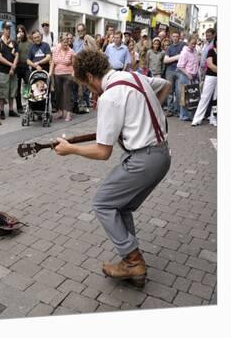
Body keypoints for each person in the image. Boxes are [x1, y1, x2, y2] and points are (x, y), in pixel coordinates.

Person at [55, 49, 172, 288]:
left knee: (102, 203)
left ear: (89, 75)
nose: (89, 90)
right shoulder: (134, 77)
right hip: (161, 155)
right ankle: (130, 261)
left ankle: (133, 260)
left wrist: (70, 150)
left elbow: (102, 152)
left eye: (86, 85)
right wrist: (146, 115)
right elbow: (165, 84)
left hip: (144, 159)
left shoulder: (110, 97)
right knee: (122, 206)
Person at [0, 21, 20, 119]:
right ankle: (1, 110)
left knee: (12, 92)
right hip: (3, 71)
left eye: (9, 28)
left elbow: (17, 54)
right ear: (2, 29)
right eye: (6, 28)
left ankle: (10, 110)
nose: (8, 30)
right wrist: (11, 65)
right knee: (2, 93)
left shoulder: (13, 42)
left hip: (13, 71)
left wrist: (13, 67)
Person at [49, 34, 75, 122]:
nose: (66, 44)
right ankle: (60, 112)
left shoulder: (71, 51)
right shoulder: (56, 50)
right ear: (60, 42)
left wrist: (73, 74)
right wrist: (50, 72)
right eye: (64, 42)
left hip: (68, 74)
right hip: (57, 74)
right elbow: (53, 62)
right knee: (58, 93)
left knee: (67, 94)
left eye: (67, 42)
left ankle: (68, 113)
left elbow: (74, 64)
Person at [192, 36, 217, 127]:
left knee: (216, 100)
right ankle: (197, 119)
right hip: (211, 76)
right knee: (205, 97)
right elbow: (210, 64)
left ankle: (213, 118)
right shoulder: (211, 51)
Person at [176, 35, 200, 121]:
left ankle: (190, 115)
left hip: (193, 76)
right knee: (185, 96)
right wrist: (188, 74)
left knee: (192, 97)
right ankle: (183, 115)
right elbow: (179, 66)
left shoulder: (195, 51)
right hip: (185, 76)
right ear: (188, 43)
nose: (194, 45)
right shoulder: (185, 52)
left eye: (195, 43)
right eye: (192, 43)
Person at [163, 32, 186, 117]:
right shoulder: (169, 48)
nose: (175, 38)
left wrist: (171, 58)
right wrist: (178, 57)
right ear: (171, 37)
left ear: (179, 37)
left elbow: (185, 55)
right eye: (174, 36)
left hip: (180, 71)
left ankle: (178, 110)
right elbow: (165, 61)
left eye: (177, 36)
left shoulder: (183, 45)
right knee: (169, 91)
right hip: (170, 71)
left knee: (179, 92)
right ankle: (170, 110)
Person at [15, 25, 32, 114]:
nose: (20, 33)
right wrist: (17, 41)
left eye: (22, 31)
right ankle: (19, 107)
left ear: (24, 32)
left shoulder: (29, 42)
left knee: (27, 84)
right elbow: (13, 52)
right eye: (18, 31)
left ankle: (27, 103)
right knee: (17, 88)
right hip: (18, 67)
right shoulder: (16, 42)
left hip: (26, 66)